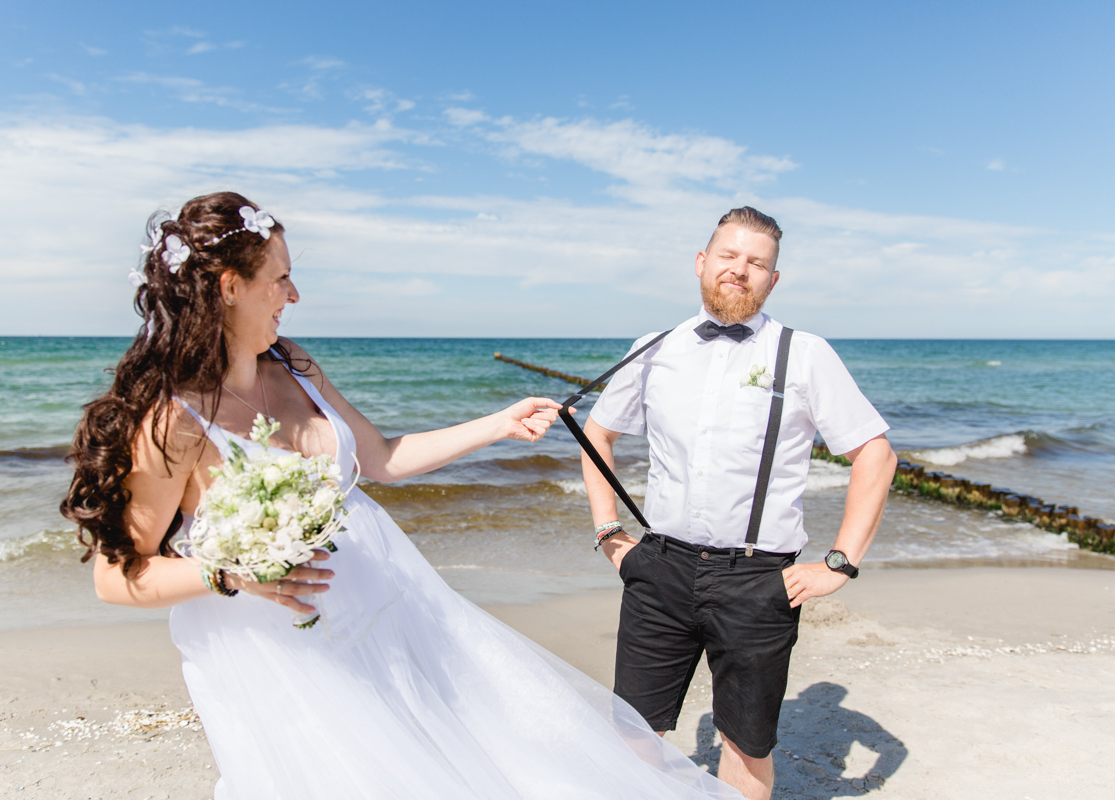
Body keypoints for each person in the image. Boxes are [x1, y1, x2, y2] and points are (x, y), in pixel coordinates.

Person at [61, 191, 746, 800]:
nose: (293, 295)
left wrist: (498, 425)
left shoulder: (294, 365)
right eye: (281, 277)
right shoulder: (171, 419)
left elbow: (382, 459)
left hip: (390, 610)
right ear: (229, 287)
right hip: (288, 655)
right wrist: (230, 573)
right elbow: (119, 576)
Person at [580, 207, 897, 800]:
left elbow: (875, 456)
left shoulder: (805, 354)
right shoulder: (653, 348)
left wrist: (840, 562)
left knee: (746, 749)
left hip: (758, 579)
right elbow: (596, 436)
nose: (739, 270)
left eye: (757, 263)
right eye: (728, 256)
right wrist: (608, 534)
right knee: (632, 732)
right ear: (702, 263)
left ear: (772, 280)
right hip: (659, 569)